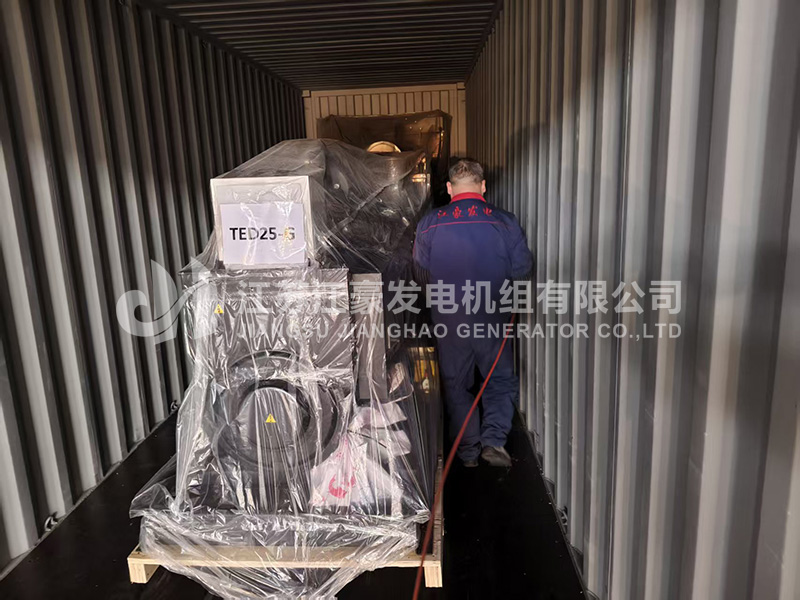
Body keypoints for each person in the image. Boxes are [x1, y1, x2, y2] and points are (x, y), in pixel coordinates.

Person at [413, 159, 533, 468]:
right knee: (499, 378)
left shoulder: (430, 223)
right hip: (493, 315)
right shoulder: (505, 222)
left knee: (456, 384)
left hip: (449, 317)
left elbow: (421, 274)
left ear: (450, 188)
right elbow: (522, 271)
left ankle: (467, 451)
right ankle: (494, 441)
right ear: (482, 186)